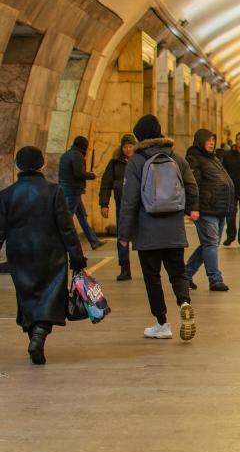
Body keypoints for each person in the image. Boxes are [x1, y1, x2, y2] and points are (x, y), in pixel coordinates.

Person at [0, 147, 88, 364]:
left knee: (27, 296)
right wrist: (77, 258)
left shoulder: (6, 195)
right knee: (50, 298)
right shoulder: (54, 191)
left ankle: (34, 338)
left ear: (18, 166)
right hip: (51, 254)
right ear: (42, 164)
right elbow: (66, 228)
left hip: (19, 255)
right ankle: (39, 337)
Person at [117, 114, 200, 341]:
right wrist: (192, 209)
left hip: (147, 232)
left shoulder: (136, 161)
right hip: (174, 230)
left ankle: (162, 323)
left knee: (152, 277)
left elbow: (129, 200)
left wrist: (124, 234)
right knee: (178, 272)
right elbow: (191, 185)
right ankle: (184, 303)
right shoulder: (175, 156)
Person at [183, 128, 234, 292]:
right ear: (200, 141)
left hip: (218, 209)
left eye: (213, 140)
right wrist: (194, 208)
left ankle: (185, 275)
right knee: (211, 244)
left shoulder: (213, 158)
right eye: (208, 140)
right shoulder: (194, 159)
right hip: (206, 209)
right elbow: (193, 185)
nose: (212, 143)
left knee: (209, 244)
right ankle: (215, 279)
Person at [97, 133, 137, 281]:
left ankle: (149, 266)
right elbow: (106, 184)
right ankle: (124, 268)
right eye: (125, 147)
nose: (128, 149)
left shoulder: (139, 161)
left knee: (142, 236)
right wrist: (104, 204)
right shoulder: (114, 163)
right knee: (122, 237)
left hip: (139, 205)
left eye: (130, 146)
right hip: (122, 206)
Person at [57, 135, 104, 250]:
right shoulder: (77, 155)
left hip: (67, 190)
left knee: (82, 217)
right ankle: (59, 243)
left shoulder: (66, 155)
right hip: (73, 191)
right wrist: (93, 175)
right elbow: (79, 173)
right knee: (67, 219)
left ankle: (94, 241)